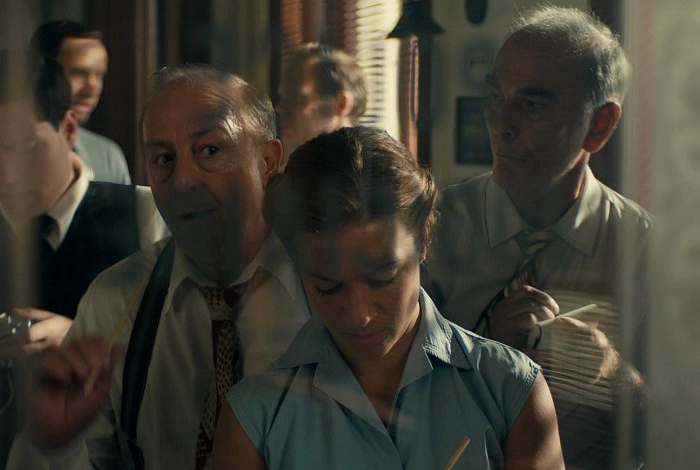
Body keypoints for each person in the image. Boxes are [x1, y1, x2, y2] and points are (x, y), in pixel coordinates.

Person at [11, 64, 310, 469]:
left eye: (210, 150)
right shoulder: (117, 301)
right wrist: (58, 442)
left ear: (268, 160)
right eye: (163, 158)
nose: (183, 180)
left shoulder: (329, 288)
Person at [212, 126, 564, 469]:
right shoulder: (256, 417)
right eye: (328, 287)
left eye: (383, 279)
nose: (359, 315)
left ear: (423, 240)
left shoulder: (509, 390)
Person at [421, 6, 652, 469]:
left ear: (599, 126)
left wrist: (613, 373)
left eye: (532, 105)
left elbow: (684, 426)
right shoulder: (433, 228)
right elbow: (389, 398)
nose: (500, 125)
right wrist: (483, 347)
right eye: (497, 97)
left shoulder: (644, 248)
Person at [0, 50, 167, 469]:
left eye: (23, 148)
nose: (3, 174)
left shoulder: (145, 216)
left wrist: (81, 338)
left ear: (68, 129)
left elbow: (181, 355)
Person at [31, 20, 131, 184]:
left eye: (99, 75)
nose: (92, 89)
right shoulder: (2, 153)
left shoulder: (107, 156)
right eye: (78, 73)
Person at [277, 43, 367, 166]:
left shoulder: (367, 172)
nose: (280, 108)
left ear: (342, 104)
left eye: (297, 98)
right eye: (283, 97)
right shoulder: (285, 171)